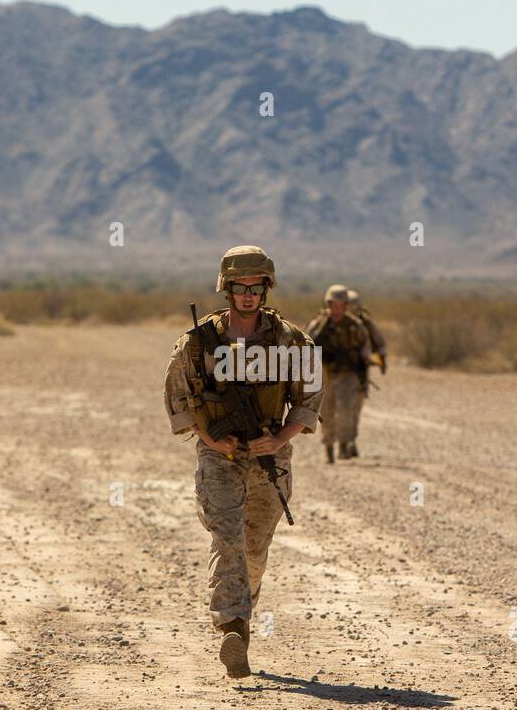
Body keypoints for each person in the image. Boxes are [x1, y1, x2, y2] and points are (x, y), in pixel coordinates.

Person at [163, 246, 323, 679]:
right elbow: (177, 397)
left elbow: (309, 399)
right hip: (220, 458)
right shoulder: (198, 343)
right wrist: (209, 438)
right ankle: (233, 627)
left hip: (271, 457)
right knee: (227, 537)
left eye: (256, 287)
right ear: (227, 289)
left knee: (254, 548)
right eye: (240, 287)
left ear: (266, 289)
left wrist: (279, 438)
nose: (248, 295)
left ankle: (243, 610)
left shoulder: (291, 340)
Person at [306, 284, 370, 463]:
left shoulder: (354, 325)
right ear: (328, 304)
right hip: (325, 373)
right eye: (334, 304)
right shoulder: (318, 325)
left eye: (341, 304)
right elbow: (307, 347)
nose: (337, 308)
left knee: (346, 409)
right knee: (326, 412)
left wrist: (365, 362)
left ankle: (343, 444)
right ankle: (328, 447)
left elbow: (365, 347)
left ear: (346, 305)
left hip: (347, 374)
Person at [347, 289, 387, 377]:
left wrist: (382, 360)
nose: (351, 308)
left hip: (359, 363)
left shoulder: (365, 323)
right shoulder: (331, 322)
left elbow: (379, 342)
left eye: (353, 305)